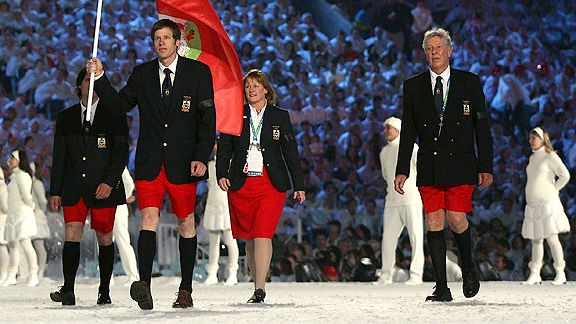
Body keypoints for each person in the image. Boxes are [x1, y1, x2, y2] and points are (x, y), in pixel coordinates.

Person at [88, 18, 216, 309]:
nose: (161, 42)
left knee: (186, 222)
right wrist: (102, 77)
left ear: (177, 41)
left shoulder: (198, 73)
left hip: (184, 163)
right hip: (150, 162)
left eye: (166, 37)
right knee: (148, 219)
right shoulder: (142, 73)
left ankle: (185, 290)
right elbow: (120, 106)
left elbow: (207, 121)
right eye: (156, 38)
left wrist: (201, 156)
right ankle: (144, 285)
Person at [395, 27, 493, 302]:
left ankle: (468, 266)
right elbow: (409, 131)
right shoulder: (412, 86)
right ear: (424, 52)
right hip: (430, 163)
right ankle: (441, 287)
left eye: (439, 47)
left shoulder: (469, 83)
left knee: (456, 219)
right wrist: (402, 169)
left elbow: (482, 128)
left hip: (461, 163)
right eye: (430, 48)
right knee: (434, 221)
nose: (435, 52)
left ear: (450, 51)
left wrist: (486, 165)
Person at [217, 69, 305, 303]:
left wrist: (299, 184)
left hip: (270, 183)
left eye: (256, 85)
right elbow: (225, 146)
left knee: (263, 233)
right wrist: (221, 173)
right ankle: (257, 283)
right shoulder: (235, 114)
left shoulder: (279, 116)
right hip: (242, 182)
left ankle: (260, 288)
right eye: (248, 86)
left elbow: (290, 152)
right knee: (250, 237)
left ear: (266, 89)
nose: (252, 90)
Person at [49, 67, 129, 306]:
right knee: (71, 235)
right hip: (73, 187)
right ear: (78, 87)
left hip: (104, 187)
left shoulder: (114, 115)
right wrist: (55, 190)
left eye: (95, 80)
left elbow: (121, 154)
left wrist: (109, 182)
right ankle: (68, 290)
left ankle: (104, 291)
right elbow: (59, 156)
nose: (91, 84)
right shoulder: (66, 117)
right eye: (87, 80)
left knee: (105, 238)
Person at [379, 117, 424, 285]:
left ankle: (416, 275)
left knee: (416, 237)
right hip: (392, 199)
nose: (385, 132)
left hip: (411, 198)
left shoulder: (412, 148)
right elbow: (386, 175)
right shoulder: (384, 152)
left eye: (388, 128)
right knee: (388, 238)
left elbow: (420, 169)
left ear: (397, 130)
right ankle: (386, 274)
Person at [522, 127, 570, 285]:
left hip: (547, 203)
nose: (530, 141)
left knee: (551, 238)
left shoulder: (551, 156)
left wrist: (554, 189)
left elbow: (565, 175)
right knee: (536, 239)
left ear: (542, 139)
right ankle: (535, 273)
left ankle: (560, 272)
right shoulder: (533, 158)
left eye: (533, 138)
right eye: (530, 138)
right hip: (533, 204)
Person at [202, 144, 239, 286]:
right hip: (213, 203)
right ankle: (212, 273)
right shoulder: (210, 165)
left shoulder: (231, 164)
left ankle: (233, 272)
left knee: (230, 240)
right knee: (213, 243)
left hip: (226, 203)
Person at [3, 150, 38, 287]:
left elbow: (26, 196)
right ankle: (12, 274)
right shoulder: (14, 177)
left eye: (13, 158)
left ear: (19, 160)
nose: (10, 160)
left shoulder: (22, 176)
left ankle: (33, 273)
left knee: (25, 243)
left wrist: (32, 206)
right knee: (13, 245)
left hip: (22, 215)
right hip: (13, 215)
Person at [112, 167, 139, 285]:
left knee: (123, 240)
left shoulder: (118, 160)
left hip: (118, 205)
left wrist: (123, 197)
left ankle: (132, 275)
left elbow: (128, 182)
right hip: (102, 205)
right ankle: (106, 276)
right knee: (103, 242)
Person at [30, 161, 50, 281]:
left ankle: (41, 271)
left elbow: (42, 201)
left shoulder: (37, 183)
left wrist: (40, 211)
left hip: (37, 215)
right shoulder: (29, 183)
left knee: (38, 244)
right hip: (30, 214)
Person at [0, 167, 10, 285]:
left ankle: (4, 273)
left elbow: (5, 207)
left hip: (2, 220)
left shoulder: (2, 188)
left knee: (2, 247)